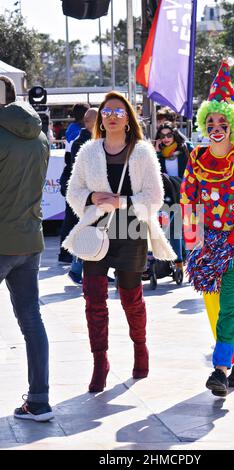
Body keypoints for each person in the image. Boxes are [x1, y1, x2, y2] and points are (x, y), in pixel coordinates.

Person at [62, 91, 175, 393]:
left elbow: (154, 197)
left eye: (118, 111)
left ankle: (140, 347)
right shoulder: (88, 151)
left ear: (128, 119)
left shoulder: (142, 152)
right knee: (93, 298)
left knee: (130, 297)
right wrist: (90, 197)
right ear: (101, 119)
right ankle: (100, 361)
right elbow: (73, 191)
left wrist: (121, 201)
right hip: (96, 229)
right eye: (107, 112)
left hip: (131, 229)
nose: (112, 116)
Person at [180, 60, 234, 397]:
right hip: (207, 245)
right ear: (203, 124)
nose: (216, 126)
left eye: (222, 120)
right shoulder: (196, 157)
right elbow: (186, 197)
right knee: (214, 306)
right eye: (210, 120)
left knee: (229, 305)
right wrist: (193, 238)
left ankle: (220, 369)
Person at [0, 75, 53, 421]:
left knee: (31, 318)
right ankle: (39, 400)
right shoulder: (41, 135)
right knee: (31, 319)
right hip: (30, 239)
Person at [66, 107, 98, 286]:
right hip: (88, 196)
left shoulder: (93, 140)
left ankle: (94, 270)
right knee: (87, 233)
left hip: (94, 195)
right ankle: (75, 270)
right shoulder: (82, 143)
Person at [155, 122, 193, 270]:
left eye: (169, 135)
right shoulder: (159, 155)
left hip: (187, 193)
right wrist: (157, 152)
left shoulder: (186, 149)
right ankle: (178, 262)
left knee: (190, 229)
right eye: (162, 136)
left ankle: (192, 261)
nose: (166, 138)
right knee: (174, 228)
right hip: (169, 195)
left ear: (175, 135)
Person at [58, 103, 90, 263]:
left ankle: (69, 256)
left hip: (72, 182)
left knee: (72, 220)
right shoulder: (80, 136)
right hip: (77, 184)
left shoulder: (72, 131)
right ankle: (73, 259)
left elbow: (67, 161)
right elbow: (71, 162)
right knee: (76, 220)